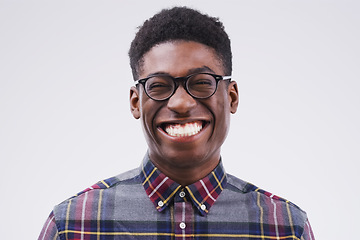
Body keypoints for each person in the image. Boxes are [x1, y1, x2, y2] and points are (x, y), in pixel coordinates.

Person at [38, 6, 315, 240]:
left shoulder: (286, 228)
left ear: (231, 97)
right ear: (136, 102)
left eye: (202, 83)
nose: (180, 104)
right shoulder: (72, 225)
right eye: (159, 85)